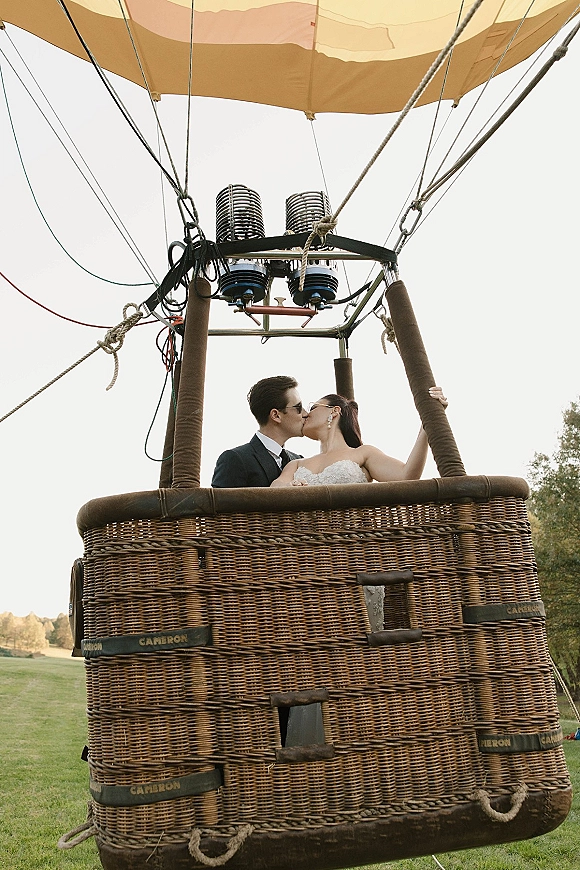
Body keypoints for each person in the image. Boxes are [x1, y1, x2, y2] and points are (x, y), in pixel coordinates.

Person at [270, 386, 448, 632]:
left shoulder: (363, 454)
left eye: (312, 407)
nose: (305, 414)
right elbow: (275, 487)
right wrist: (289, 486)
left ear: (334, 412)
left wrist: (427, 424)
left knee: (361, 641)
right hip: (307, 566)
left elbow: (408, 475)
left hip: (355, 561)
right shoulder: (296, 463)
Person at [211, 375, 307, 487]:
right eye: (298, 407)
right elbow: (222, 504)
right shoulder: (234, 459)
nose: (305, 414)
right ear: (276, 415)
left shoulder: (299, 460)